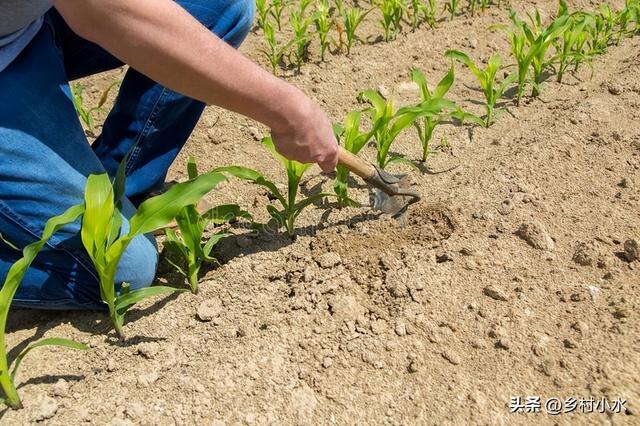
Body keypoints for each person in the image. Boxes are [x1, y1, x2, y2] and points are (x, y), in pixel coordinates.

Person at [0, 0, 339, 309]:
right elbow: (106, 13)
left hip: (28, 25)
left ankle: (121, 194)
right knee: (122, 270)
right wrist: (288, 110)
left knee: (221, 7)